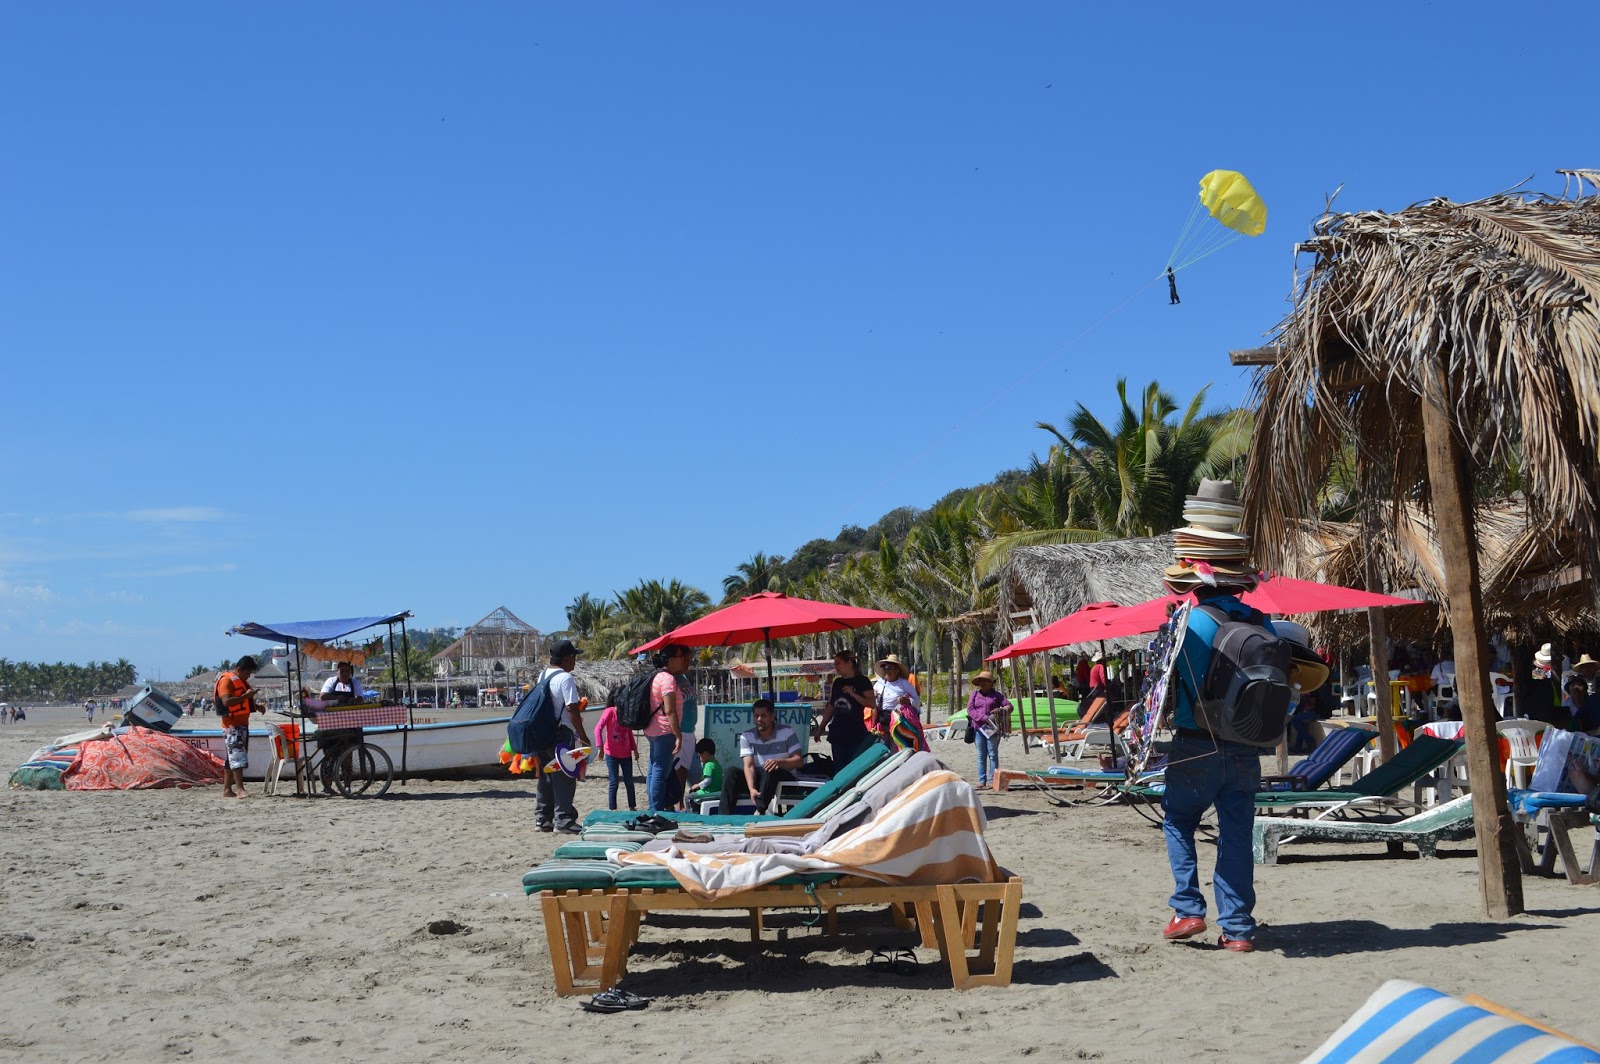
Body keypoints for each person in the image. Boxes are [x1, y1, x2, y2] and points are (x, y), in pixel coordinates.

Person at [1160, 478, 1267, 954]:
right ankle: (1239, 929)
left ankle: (1187, 909)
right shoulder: (1261, 622)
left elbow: (1160, 684)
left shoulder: (1186, 621)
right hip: (1246, 745)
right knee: (1237, 834)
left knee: (1179, 820)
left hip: (1195, 740)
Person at [535, 640, 591, 834]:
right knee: (566, 775)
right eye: (574, 657)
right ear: (567, 658)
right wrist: (583, 737)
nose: (575, 662)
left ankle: (543, 819)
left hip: (542, 733)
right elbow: (572, 709)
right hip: (560, 733)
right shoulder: (565, 678)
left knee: (545, 776)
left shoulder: (542, 675)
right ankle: (564, 820)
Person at [720, 699, 802, 814]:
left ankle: (759, 811)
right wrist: (751, 789)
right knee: (731, 772)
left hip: (783, 779)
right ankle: (724, 817)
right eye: (756, 716)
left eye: (763, 716)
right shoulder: (747, 736)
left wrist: (778, 762)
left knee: (770, 768)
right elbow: (749, 766)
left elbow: (798, 761)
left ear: (772, 716)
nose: (759, 719)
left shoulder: (787, 731)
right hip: (760, 778)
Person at [644, 644, 692, 812]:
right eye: (681, 658)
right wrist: (678, 736)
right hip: (664, 731)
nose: (685, 661)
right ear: (671, 660)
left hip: (653, 730)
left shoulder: (656, 676)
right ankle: (656, 811)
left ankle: (653, 808)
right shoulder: (667, 679)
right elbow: (670, 710)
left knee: (653, 771)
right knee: (660, 773)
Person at [814, 649, 874, 766]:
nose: (836, 666)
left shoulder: (862, 681)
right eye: (835, 663)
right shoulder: (837, 682)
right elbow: (831, 706)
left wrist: (853, 694)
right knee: (839, 766)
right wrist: (821, 728)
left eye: (838, 663)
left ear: (849, 663)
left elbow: (871, 704)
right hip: (837, 733)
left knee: (854, 766)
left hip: (855, 732)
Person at [214, 657, 262, 798]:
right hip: (232, 725)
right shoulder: (226, 680)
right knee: (238, 757)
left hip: (241, 724)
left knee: (232, 758)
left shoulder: (240, 681)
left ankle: (227, 790)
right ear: (239, 669)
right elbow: (227, 701)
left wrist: (256, 706)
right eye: (248, 673)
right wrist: (245, 696)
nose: (249, 676)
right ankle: (240, 789)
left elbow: (242, 701)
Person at [966, 671, 1011, 789]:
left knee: (993, 754)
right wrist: (983, 718)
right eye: (981, 681)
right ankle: (982, 780)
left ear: (991, 683)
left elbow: (1009, 706)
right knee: (981, 755)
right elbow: (970, 710)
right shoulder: (974, 695)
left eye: (985, 681)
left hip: (993, 729)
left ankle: (993, 780)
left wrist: (1002, 710)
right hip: (978, 729)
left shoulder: (997, 695)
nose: (982, 683)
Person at [593, 700, 638, 812]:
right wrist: (600, 747)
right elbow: (598, 728)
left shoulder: (626, 712)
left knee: (629, 781)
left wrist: (635, 749)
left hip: (626, 753)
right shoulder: (609, 712)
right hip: (611, 754)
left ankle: (632, 806)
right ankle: (613, 808)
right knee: (614, 782)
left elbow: (629, 732)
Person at [876, 654, 927, 752]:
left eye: (890, 668)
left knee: (896, 750)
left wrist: (907, 701)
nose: (887, 670)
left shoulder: (904, 684)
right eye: (885, 668)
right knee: (883, 751)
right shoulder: (879, 684)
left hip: (898, 723)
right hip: (883, 722)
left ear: (897, 670)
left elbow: (917, 702)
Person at [685, 738, 723, 808]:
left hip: (709, 792)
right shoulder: (716, 764)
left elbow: (708, 780)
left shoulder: (708, 765)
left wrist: (698, 785)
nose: (700, 759)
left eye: (700, 756)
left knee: (689, 797)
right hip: (717, 789)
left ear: (705, 754)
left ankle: (693, 814)